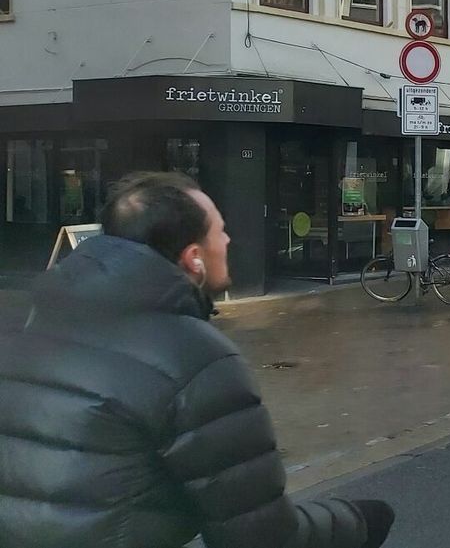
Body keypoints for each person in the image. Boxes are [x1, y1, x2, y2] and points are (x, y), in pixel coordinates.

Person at [0, 172, 394, 548]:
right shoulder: (196, 359)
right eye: (219, 231)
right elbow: (261, 536)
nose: (228, 239)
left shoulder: (31, 325)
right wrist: (359, 521)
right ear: (194, 258)